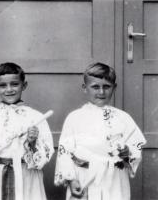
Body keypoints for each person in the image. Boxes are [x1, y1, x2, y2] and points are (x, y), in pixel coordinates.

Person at [54, 62, 146, 200]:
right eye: (95, 87)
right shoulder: (74, 118)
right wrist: (71, 179)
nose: (101, 92)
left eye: (107, 87)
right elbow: (64, 152)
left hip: (113, 178)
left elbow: (136, 146)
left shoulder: (123, 118)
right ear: (85, 88)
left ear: (114, 88)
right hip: (85, 176)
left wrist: (128, 152)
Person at [0, 62, 54, 200]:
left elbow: (45, 152)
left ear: (24, 85)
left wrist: (33, 144)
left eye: (14, 84)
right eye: (3, 85)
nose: (9, 89)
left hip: (26, 176)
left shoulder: (36, 117)